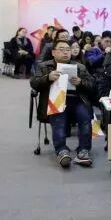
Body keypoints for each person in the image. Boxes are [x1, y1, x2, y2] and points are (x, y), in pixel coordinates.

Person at [30, 39, 95, 168]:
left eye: (68, 50)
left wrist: (81, 82)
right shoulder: (44, 66)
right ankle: (62, 150)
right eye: (61, 49)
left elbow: (92, 85)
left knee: (85, 118)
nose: (66, 52)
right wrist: (47, 78)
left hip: (77, 100)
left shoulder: (79, 67)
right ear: (53, 52)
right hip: (55, 101)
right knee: (59, 119)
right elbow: (34, 83)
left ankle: (83, 151)